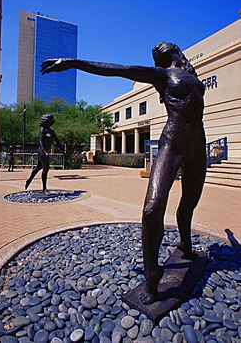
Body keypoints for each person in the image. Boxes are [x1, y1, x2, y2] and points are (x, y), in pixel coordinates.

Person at [41, 42, 206, 304]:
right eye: (153, 49)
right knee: (152, 208)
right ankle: (152, 276)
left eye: (161, 46)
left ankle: (185, 244)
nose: (156, 47)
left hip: (198, 146)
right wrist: (73, 62)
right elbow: (120, 69)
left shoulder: (192, 76)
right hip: (173, 144)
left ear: (174, 48)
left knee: (189, 203)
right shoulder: (161, 75)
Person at [25, 114, 65, 194]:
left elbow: (57, 142)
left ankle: (29, 179)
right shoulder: (43, 130)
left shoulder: (52, 132)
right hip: (42, 151)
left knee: (38, 167)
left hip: (46, 152)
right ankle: (44, 189)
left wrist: (62, 150)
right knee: (45, 169)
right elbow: (41, 142)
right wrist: (45, 153)